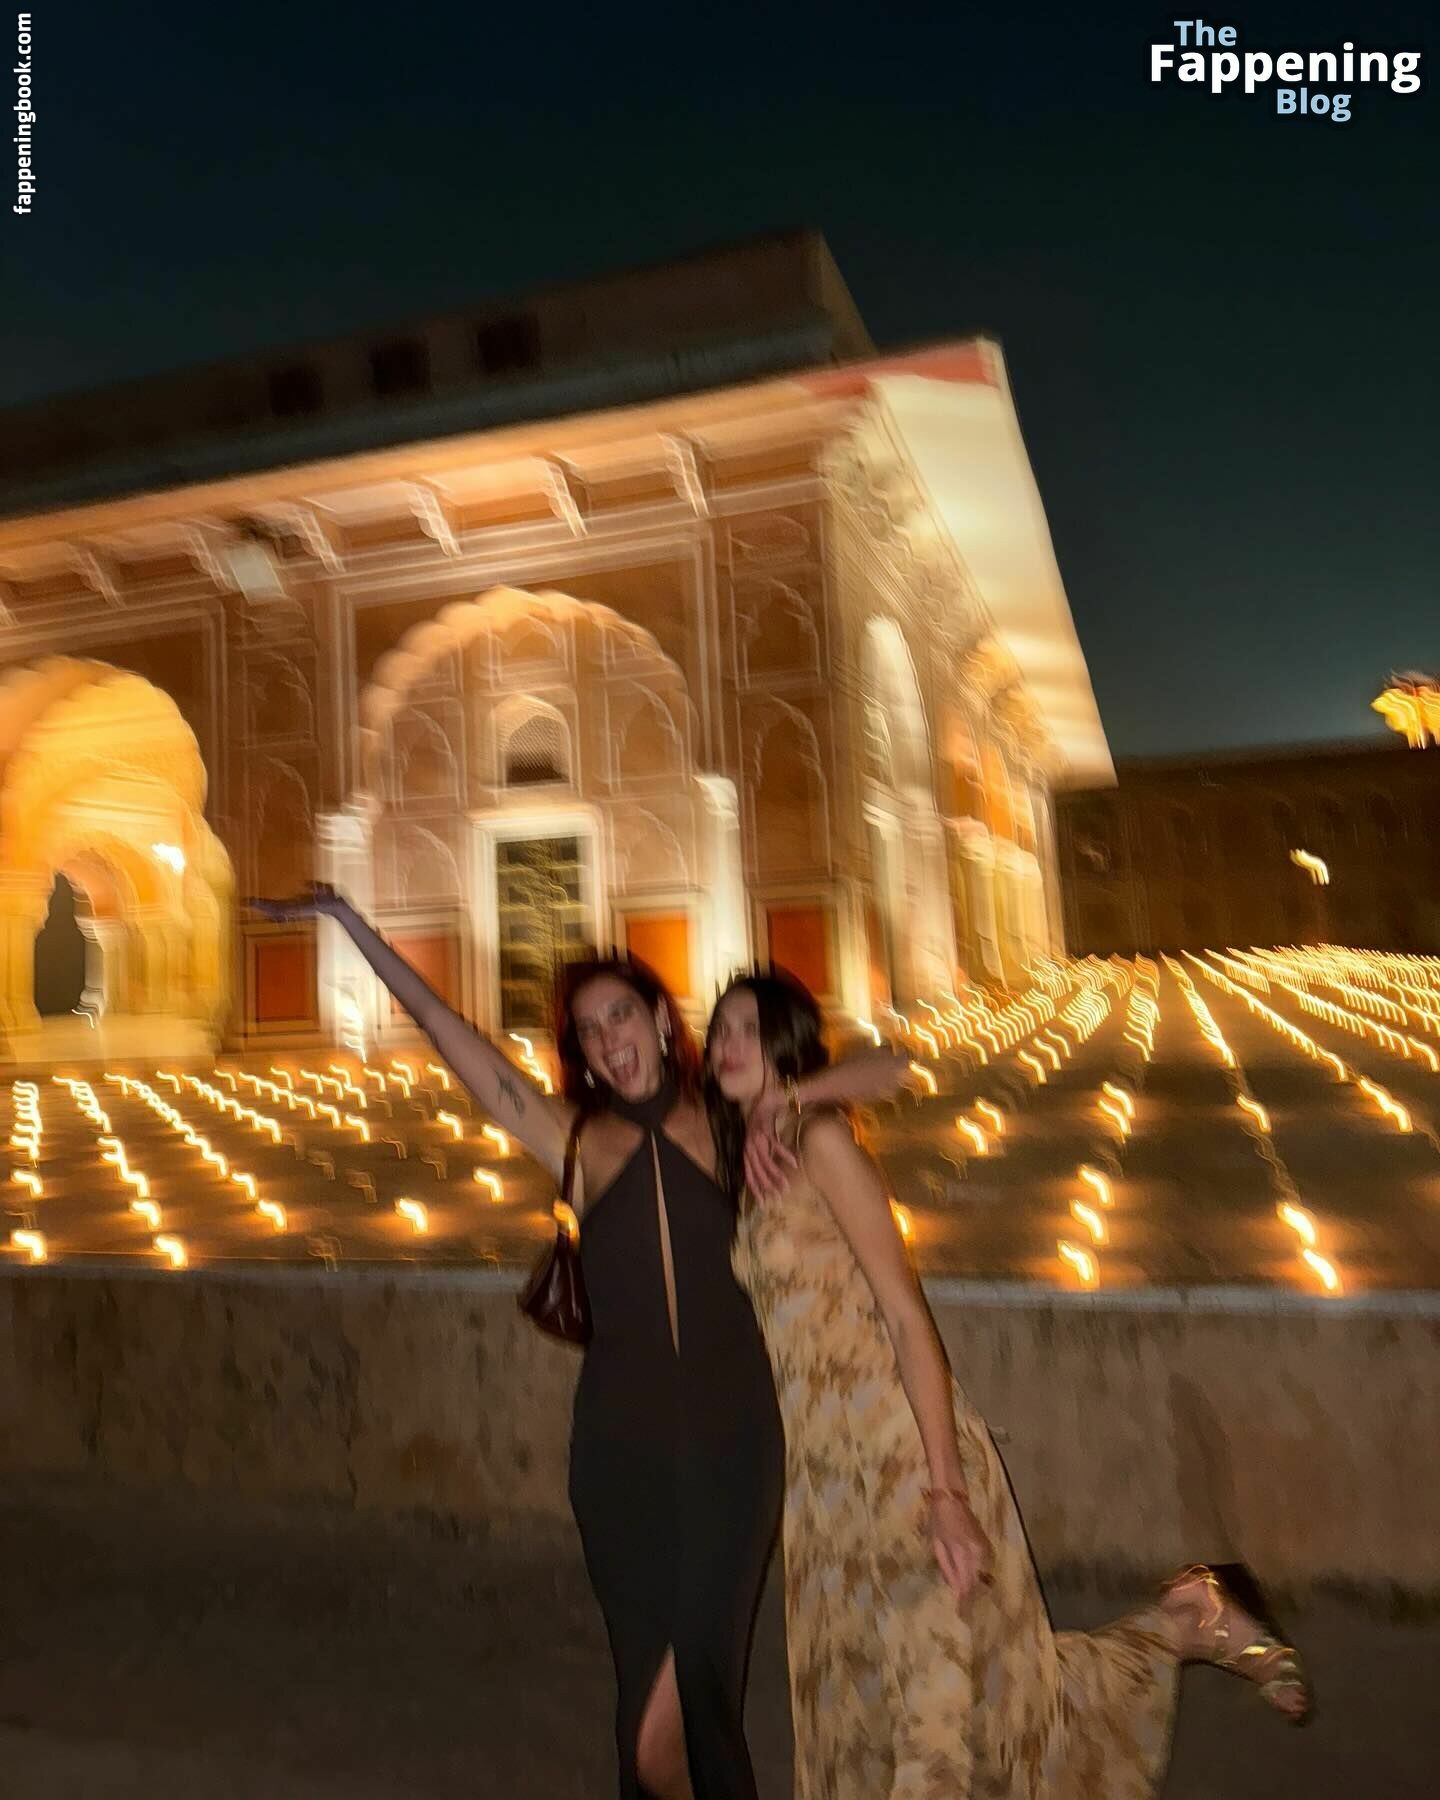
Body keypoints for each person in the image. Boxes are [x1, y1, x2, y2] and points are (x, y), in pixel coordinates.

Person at [246, 885, 906, 1800]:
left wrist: (787, 1098)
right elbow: (446, 1031)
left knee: (701, 1690)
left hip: (733, 1446)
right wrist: (350, 922)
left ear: (659, 1019)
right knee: (646, 1719)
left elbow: (893, 1067)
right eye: (588, 1030)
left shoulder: (730, 1118)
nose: (607, 1039)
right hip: (617, 1454)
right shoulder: (572, 1138)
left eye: (621, 1015)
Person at [707, 969, 1313, 1800]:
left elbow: (906, 1312)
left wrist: (946, 1490)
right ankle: (1186, 1619)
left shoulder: (818, 1142)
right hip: (824, 1483)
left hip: (901, 1457)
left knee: (934, 1724)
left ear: (784, 1044)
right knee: (982, 1696)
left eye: (748, 1027)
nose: (728, 1043)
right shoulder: (751, 1167)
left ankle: (1186, 1619)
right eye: (718, 1030)